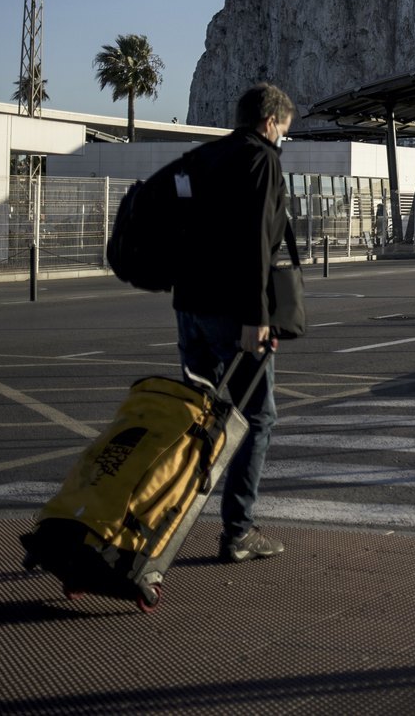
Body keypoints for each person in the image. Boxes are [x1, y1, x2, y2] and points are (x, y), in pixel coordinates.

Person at [172, 82, 294, 562]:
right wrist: (257, 318)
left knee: (195, 417)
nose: (283, 140)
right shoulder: (261, 159)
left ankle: (160, 517)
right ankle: (238, 531)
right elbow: (255, 244)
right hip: (232, 314)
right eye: (284, 131)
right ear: (269, 123)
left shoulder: (202, 158)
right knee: (257, 418)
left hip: (189, 309)